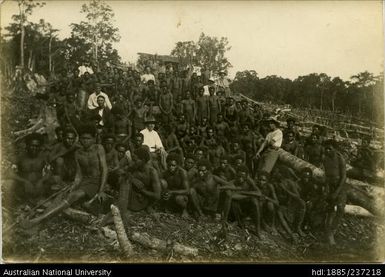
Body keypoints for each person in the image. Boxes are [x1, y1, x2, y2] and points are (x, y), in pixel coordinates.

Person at [23, 124, 108, 227]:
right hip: (84, 181)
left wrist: (101, 190)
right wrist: (74, 185)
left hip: (96, 181)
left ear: (94, 138)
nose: (85, 141)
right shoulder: (78, 153)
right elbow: (79, 174)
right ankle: (39, 214)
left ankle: (38, 220)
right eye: (83, 138)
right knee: (64, 194)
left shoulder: (99, 148)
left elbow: (104, 169)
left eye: (88, 138)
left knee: (73, 196)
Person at [220, 165, 261, 237]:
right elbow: (230, 196)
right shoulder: (232, 183)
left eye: (243, 176)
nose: (240, 178)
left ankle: (257, 229)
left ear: (246, 176)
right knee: (233, 201)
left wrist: (243, 193)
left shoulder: (249, 181)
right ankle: (228, 222)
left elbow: (259, 193)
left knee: (255, 201)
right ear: (236, 175)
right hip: (235, 208)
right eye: (239, 176)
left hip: (244, 205)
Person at [10, 133, 50, 203]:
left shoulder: (43, 157)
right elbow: (9, 173)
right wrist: (25, 181)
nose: (34, 148)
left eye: (37, 146)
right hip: (24, 187)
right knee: (9, 184)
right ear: (27, 146)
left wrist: (41, 181)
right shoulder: (20, 157)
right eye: (32, 146)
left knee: (53, 182)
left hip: (38, 187)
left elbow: (49, 172)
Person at [323, 140, 347, 245]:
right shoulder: (325, 158)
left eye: (330, 148)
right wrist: (327, 189)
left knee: (341, 209)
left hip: (340, 186)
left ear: (335, 148)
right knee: (330, 209)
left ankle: (334, 229)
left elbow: (343, 177)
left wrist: (337, 192)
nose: (327, 150)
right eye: (326, 148)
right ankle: (328, 234)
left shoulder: (340, 158)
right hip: (330, 185)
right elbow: (327, 176)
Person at [161, 153, 190, 217]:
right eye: (169, 165)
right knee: (162, 182)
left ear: (177, 165)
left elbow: (187, 191)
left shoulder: (182, 173)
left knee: (179, 198)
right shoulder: (165, 173)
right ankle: (168, 207)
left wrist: (171, 192)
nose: (171, 167)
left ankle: (184, 210)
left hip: (181, 195)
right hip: (170, 195)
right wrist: (164, 192)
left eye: (173, 165)